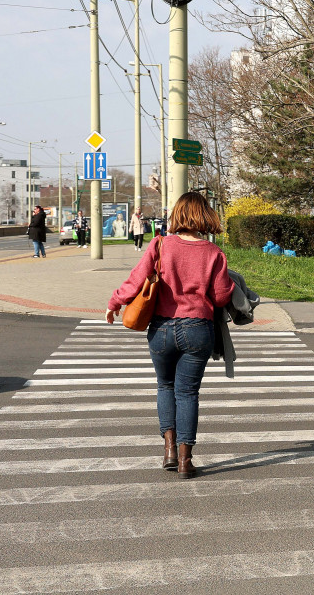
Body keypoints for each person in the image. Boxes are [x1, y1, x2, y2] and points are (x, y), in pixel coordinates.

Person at [105, 191, 234, 479]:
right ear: (205, 216)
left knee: (165, 387)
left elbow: (136, 280)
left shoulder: (160, 244)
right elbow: (221, 296)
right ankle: (187, 461)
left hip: (162, 329)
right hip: (198, 329)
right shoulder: (214, 253)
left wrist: (114, 303)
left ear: (177, 214)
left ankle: (169, 452)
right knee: (187, 393)